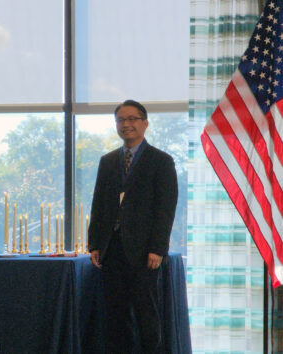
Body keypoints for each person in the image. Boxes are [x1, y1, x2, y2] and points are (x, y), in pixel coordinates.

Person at [87, 99, 178, 354]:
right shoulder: (107, 161)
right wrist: (94, 243)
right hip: (111, 250)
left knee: (146, 316)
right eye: (120, 120)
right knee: (115, 319)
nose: (126, 124)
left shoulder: (161, 161)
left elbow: (165, 209)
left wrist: (157, 249)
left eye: (132, 119)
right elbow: (98, 204)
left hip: (144, 253)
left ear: (145, 123)